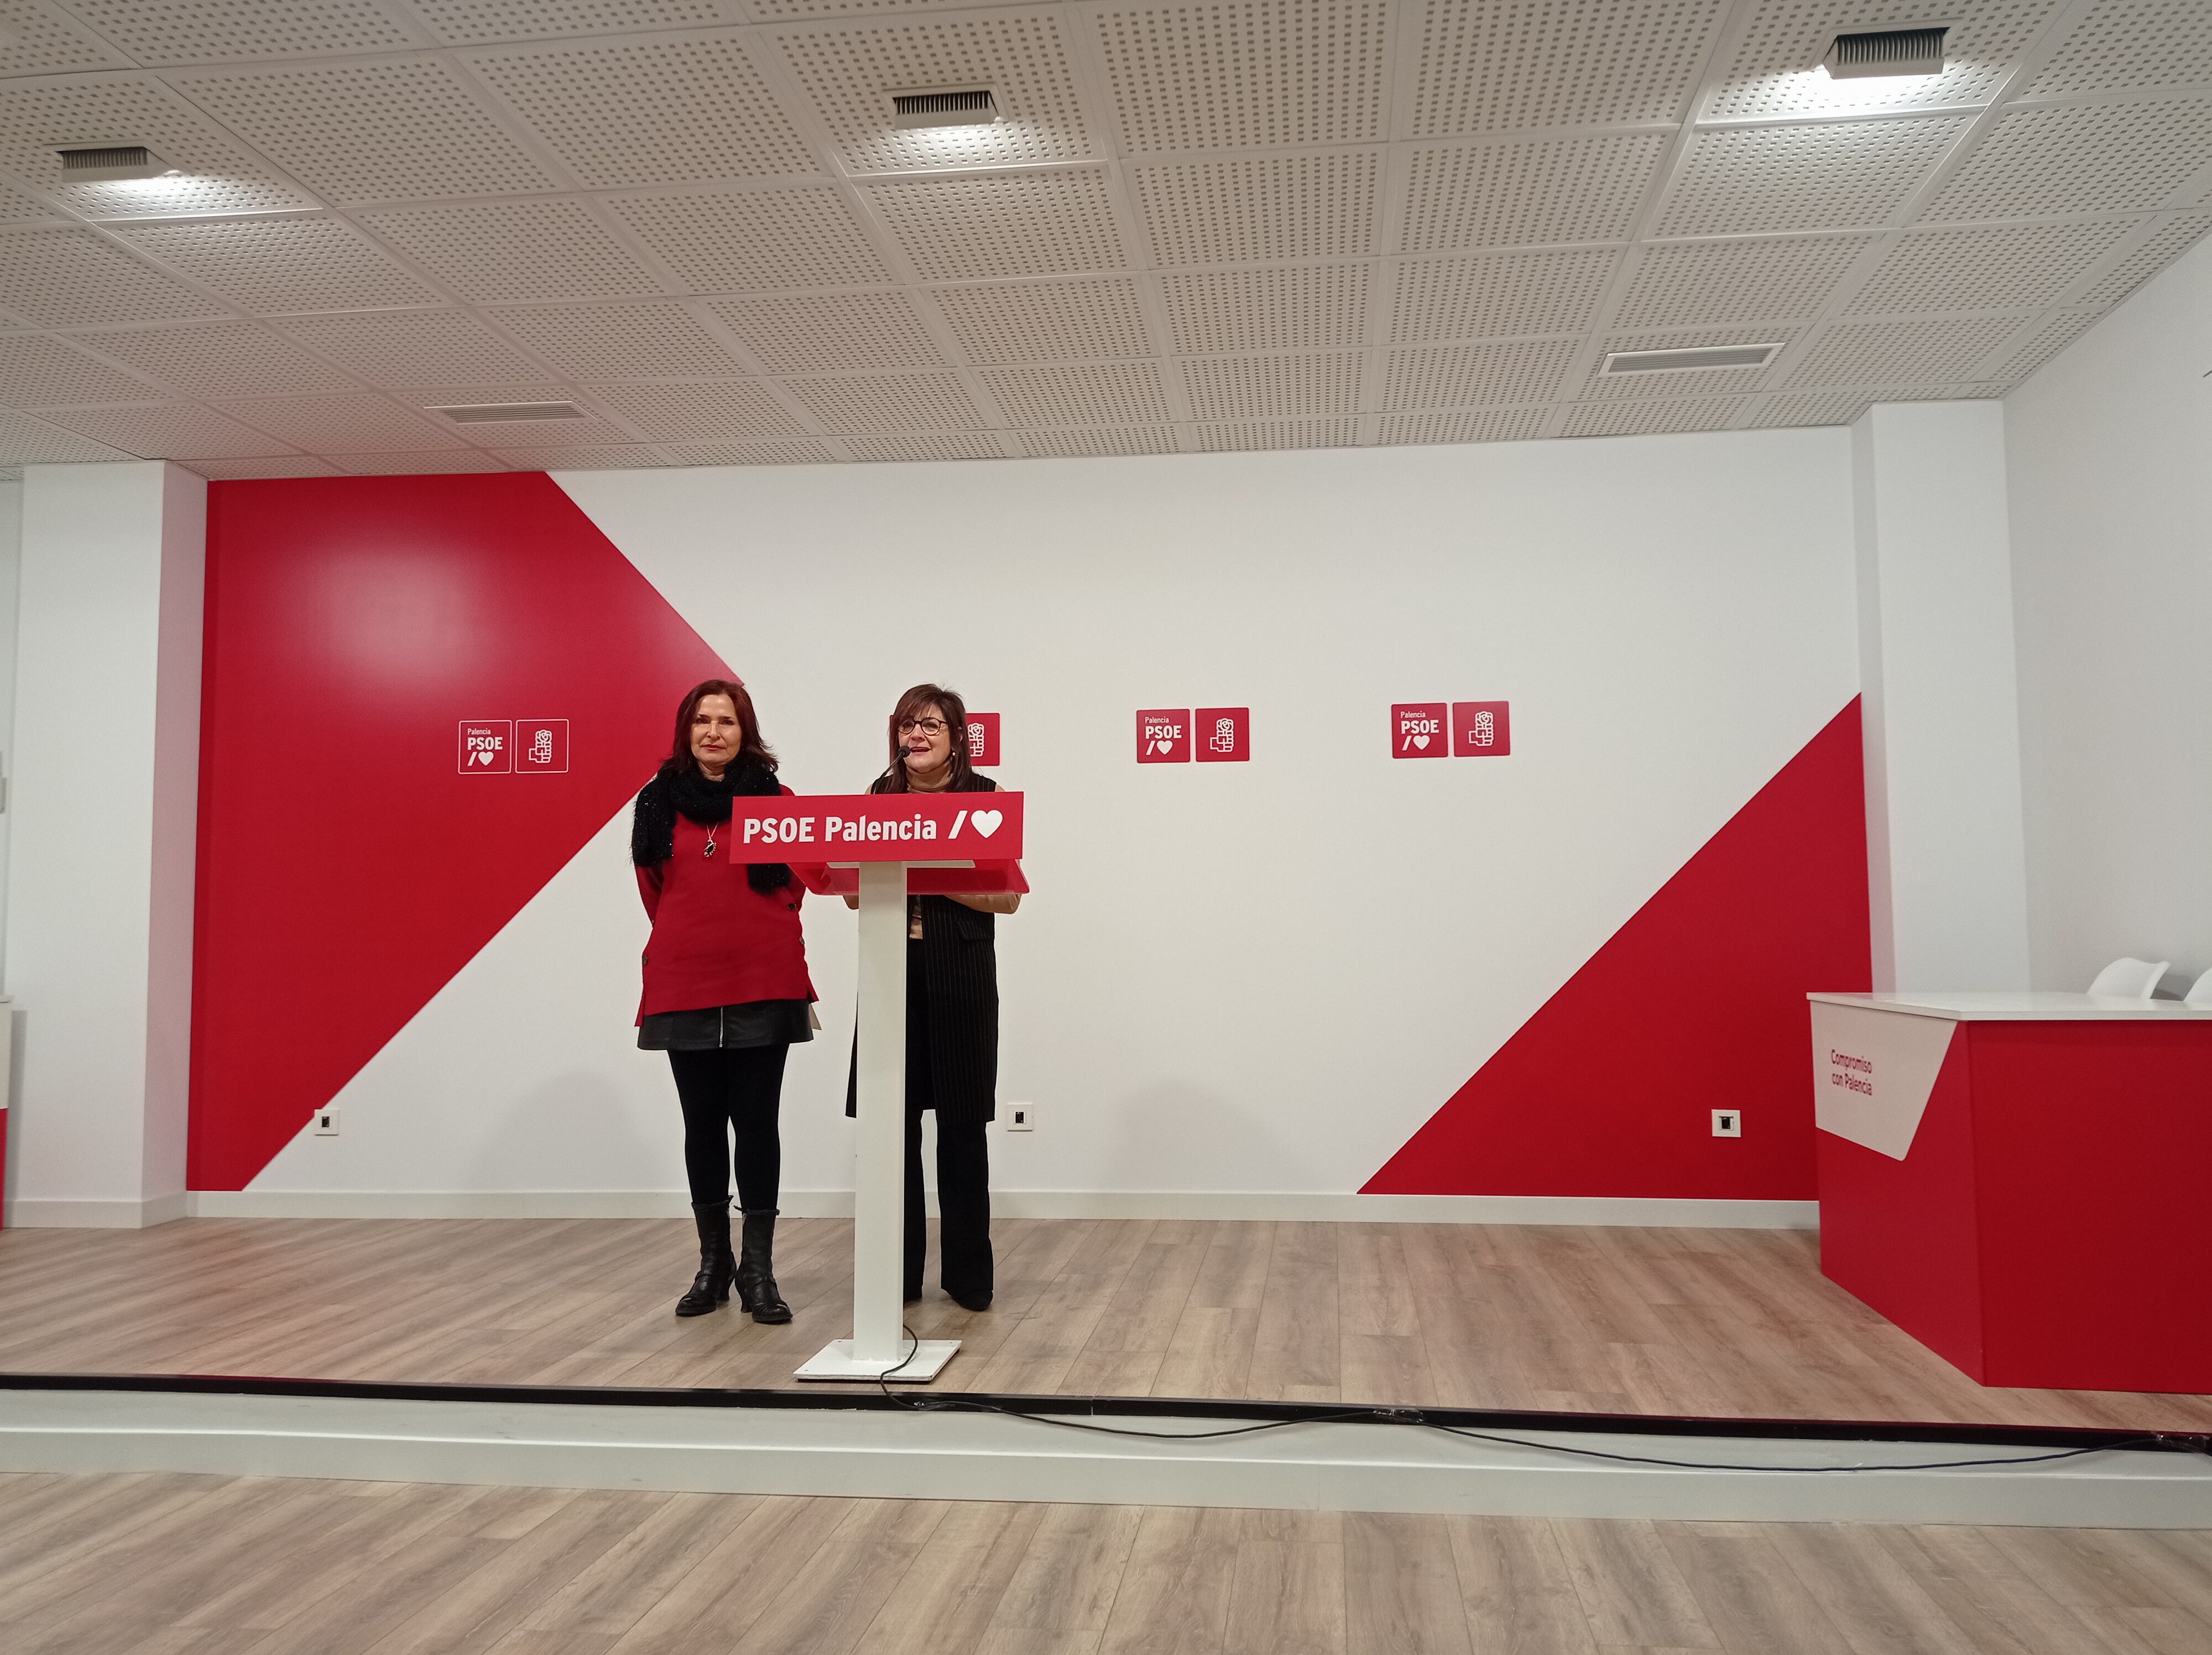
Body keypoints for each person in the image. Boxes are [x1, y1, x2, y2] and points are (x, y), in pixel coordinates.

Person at [633, 678, 815, 1323]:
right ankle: (714, 1264)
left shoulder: (776, 799)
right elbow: (654, 889)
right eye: (704, 721)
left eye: (728, 722)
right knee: (702, 1125)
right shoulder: (656, 802)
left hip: (763, 976)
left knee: (757, 1123)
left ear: (746, 732)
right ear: (686, 730)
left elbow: (798, 881)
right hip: (683, 978)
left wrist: (752, 930)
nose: (715, 732)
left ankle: (758, 1270)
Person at [847, 683, 1019, 1312]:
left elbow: (1006, 898)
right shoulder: (879, 796)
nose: (916, 736)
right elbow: (854, 893)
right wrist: (901, 868)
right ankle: (896, 1276)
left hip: (962, 975)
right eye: (907, 726)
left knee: (962, 1131)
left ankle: (969, 1278)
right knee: (893, 1128)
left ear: (956, 739)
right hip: (894, 972)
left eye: (931, 725)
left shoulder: (985, 798)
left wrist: (928, 867)